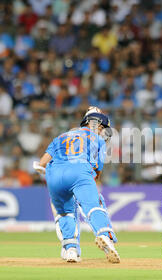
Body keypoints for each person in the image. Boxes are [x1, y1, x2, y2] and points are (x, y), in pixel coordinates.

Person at [35, 109, 120, 263]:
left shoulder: (61, 137)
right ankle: (104, 236)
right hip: (79, 171)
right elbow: (97, 171)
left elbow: (41, 164)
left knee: (65, 213)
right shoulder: (98, 140)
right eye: (104, 129)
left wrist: (49, 174)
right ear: (99, 126)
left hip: (54, 174)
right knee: (94, 205)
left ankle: (71, 250)